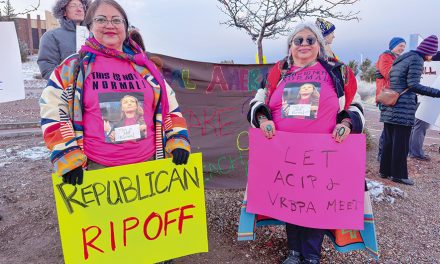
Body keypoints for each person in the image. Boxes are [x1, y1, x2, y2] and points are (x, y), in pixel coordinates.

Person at [248, 22, 364, 264]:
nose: (303, 44)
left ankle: (311, 255)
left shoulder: (338, 73)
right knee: (292, 200)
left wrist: (348, 124)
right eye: (297, 40)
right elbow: (257, 101)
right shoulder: (277, 73)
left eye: (310, 40)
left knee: (318, 203)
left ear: (319, 46)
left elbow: (354, 106)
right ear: (290, 46)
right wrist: (262, 117)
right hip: (286, 155)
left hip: (324, 155)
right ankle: (294, 251)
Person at [40, 0, 190, 187]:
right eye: (101, 19)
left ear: (126, 28)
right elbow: (52, 110)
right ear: (90, 26)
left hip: (150, 168)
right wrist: (67, 154)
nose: (110, 25)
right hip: (98, 173)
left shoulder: (145, 67)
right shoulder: (73, 68)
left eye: (117, 20)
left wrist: (177, 138)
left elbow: (169, 106)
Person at [379, 35, 440, 185]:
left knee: (389, 139)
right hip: (403, 106)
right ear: (428, 51)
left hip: (390, 102)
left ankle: (384, 171)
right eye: (432, 53)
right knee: (401, 142)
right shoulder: (417, 59)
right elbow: (413, 85)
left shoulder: (403, 57)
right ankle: (399, 175)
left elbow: (394, 78)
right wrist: (437, 92)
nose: (431, 57)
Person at [38, 0, 90, 80]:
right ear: (64, 12)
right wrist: (70, 86)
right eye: (73, 6)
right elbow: (48, 68)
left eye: (81, 6)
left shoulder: (95, 35)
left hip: (94, 89)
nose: (79, 9)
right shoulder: (51, 36)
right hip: (67, 89)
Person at [375, 37, 406, 163]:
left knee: (391, 125)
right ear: (392, 46)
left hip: (392, 95)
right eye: (400, 45)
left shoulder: (397, 58)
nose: (402, 48)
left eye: (404, 46)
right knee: (388, 126)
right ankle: (382, 154)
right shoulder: (385, 56)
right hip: (386, 95)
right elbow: (388, 73)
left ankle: (386, 154)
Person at [408, 51, 440, 161]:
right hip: (428, 98)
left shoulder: (423, 63)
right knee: (420, 127)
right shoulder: (437, 66)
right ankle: (416, 153)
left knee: (414, 126)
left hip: (416, 96)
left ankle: (411, 150)